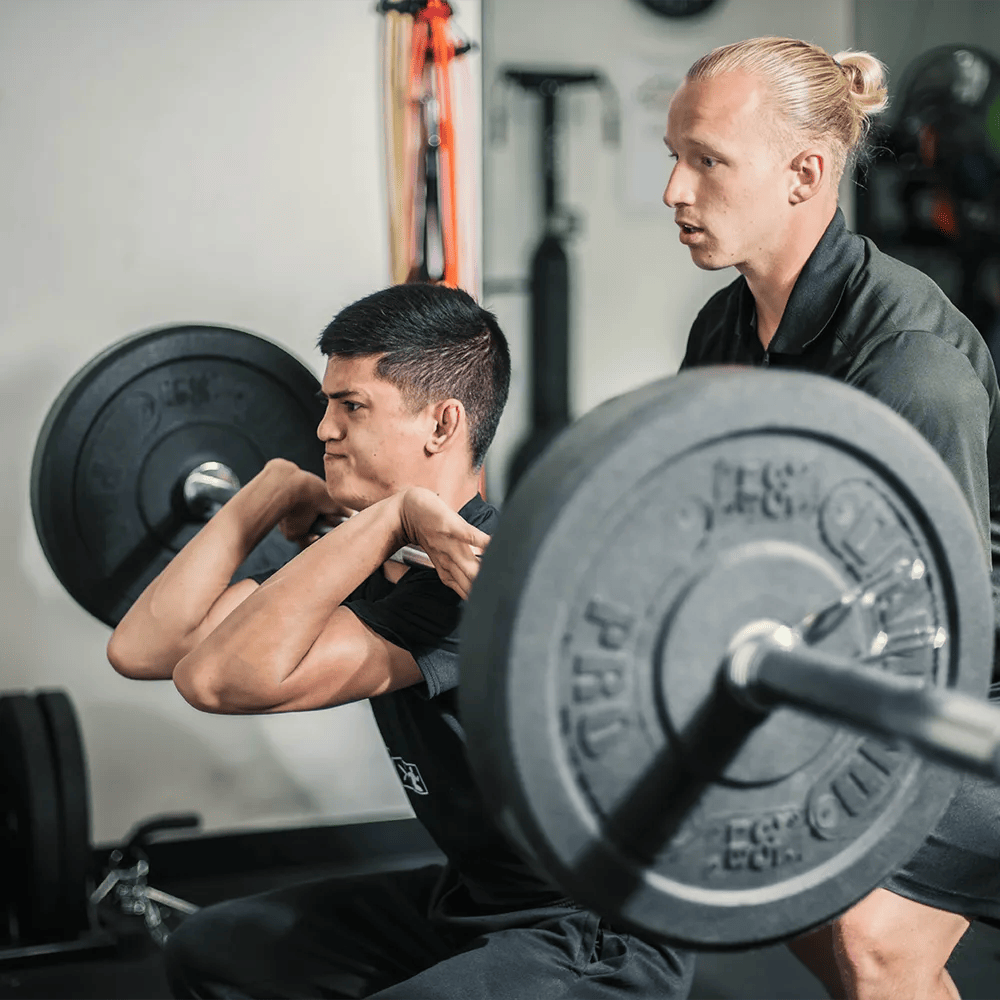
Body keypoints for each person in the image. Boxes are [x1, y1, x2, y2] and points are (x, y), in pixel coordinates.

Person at [106, 282, 695, 999]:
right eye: (327, 404)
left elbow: (220, 681)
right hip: (473, 900)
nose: (324, 429)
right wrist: (265, 491)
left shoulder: (478, 572)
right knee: (212, 950)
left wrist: (391, 520)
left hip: (590, 931)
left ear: (442, 425)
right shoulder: (362, 549)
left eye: (352, 407)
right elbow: (144, 650)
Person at [662, 36, 1000, 1000]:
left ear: (807, 172)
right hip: (848, 666)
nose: (674, 191)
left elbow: (937, 628)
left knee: (866, 935)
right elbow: (711, 519)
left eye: (707, 161)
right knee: (747, 870)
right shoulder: (728, 327)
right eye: (673, 156)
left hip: (968, 698)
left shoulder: (908, 364)